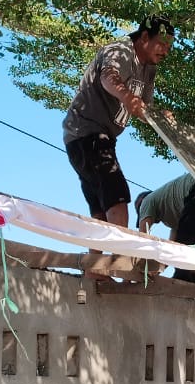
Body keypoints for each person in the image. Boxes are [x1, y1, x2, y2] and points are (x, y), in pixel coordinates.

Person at [62, 15, 175, 232]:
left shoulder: (149, 68)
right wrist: (127, 96)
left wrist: (159, 115)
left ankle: (95, 266)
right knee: (117, 198)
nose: (165, 51)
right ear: (144, 37)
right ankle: (119, 260)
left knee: (100, 210)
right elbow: (108, 77)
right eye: (161, 44)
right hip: (86, 131)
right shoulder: (121, 50)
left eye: (169, 46)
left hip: (95, 137)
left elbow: (143, 108)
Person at [135, 173, 195, 284]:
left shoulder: (146, 201)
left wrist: (133, 274)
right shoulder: (174, 210)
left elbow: (143, 240)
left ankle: (180, 284)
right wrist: (157, 269)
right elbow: (173, 247)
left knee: (184, 252)